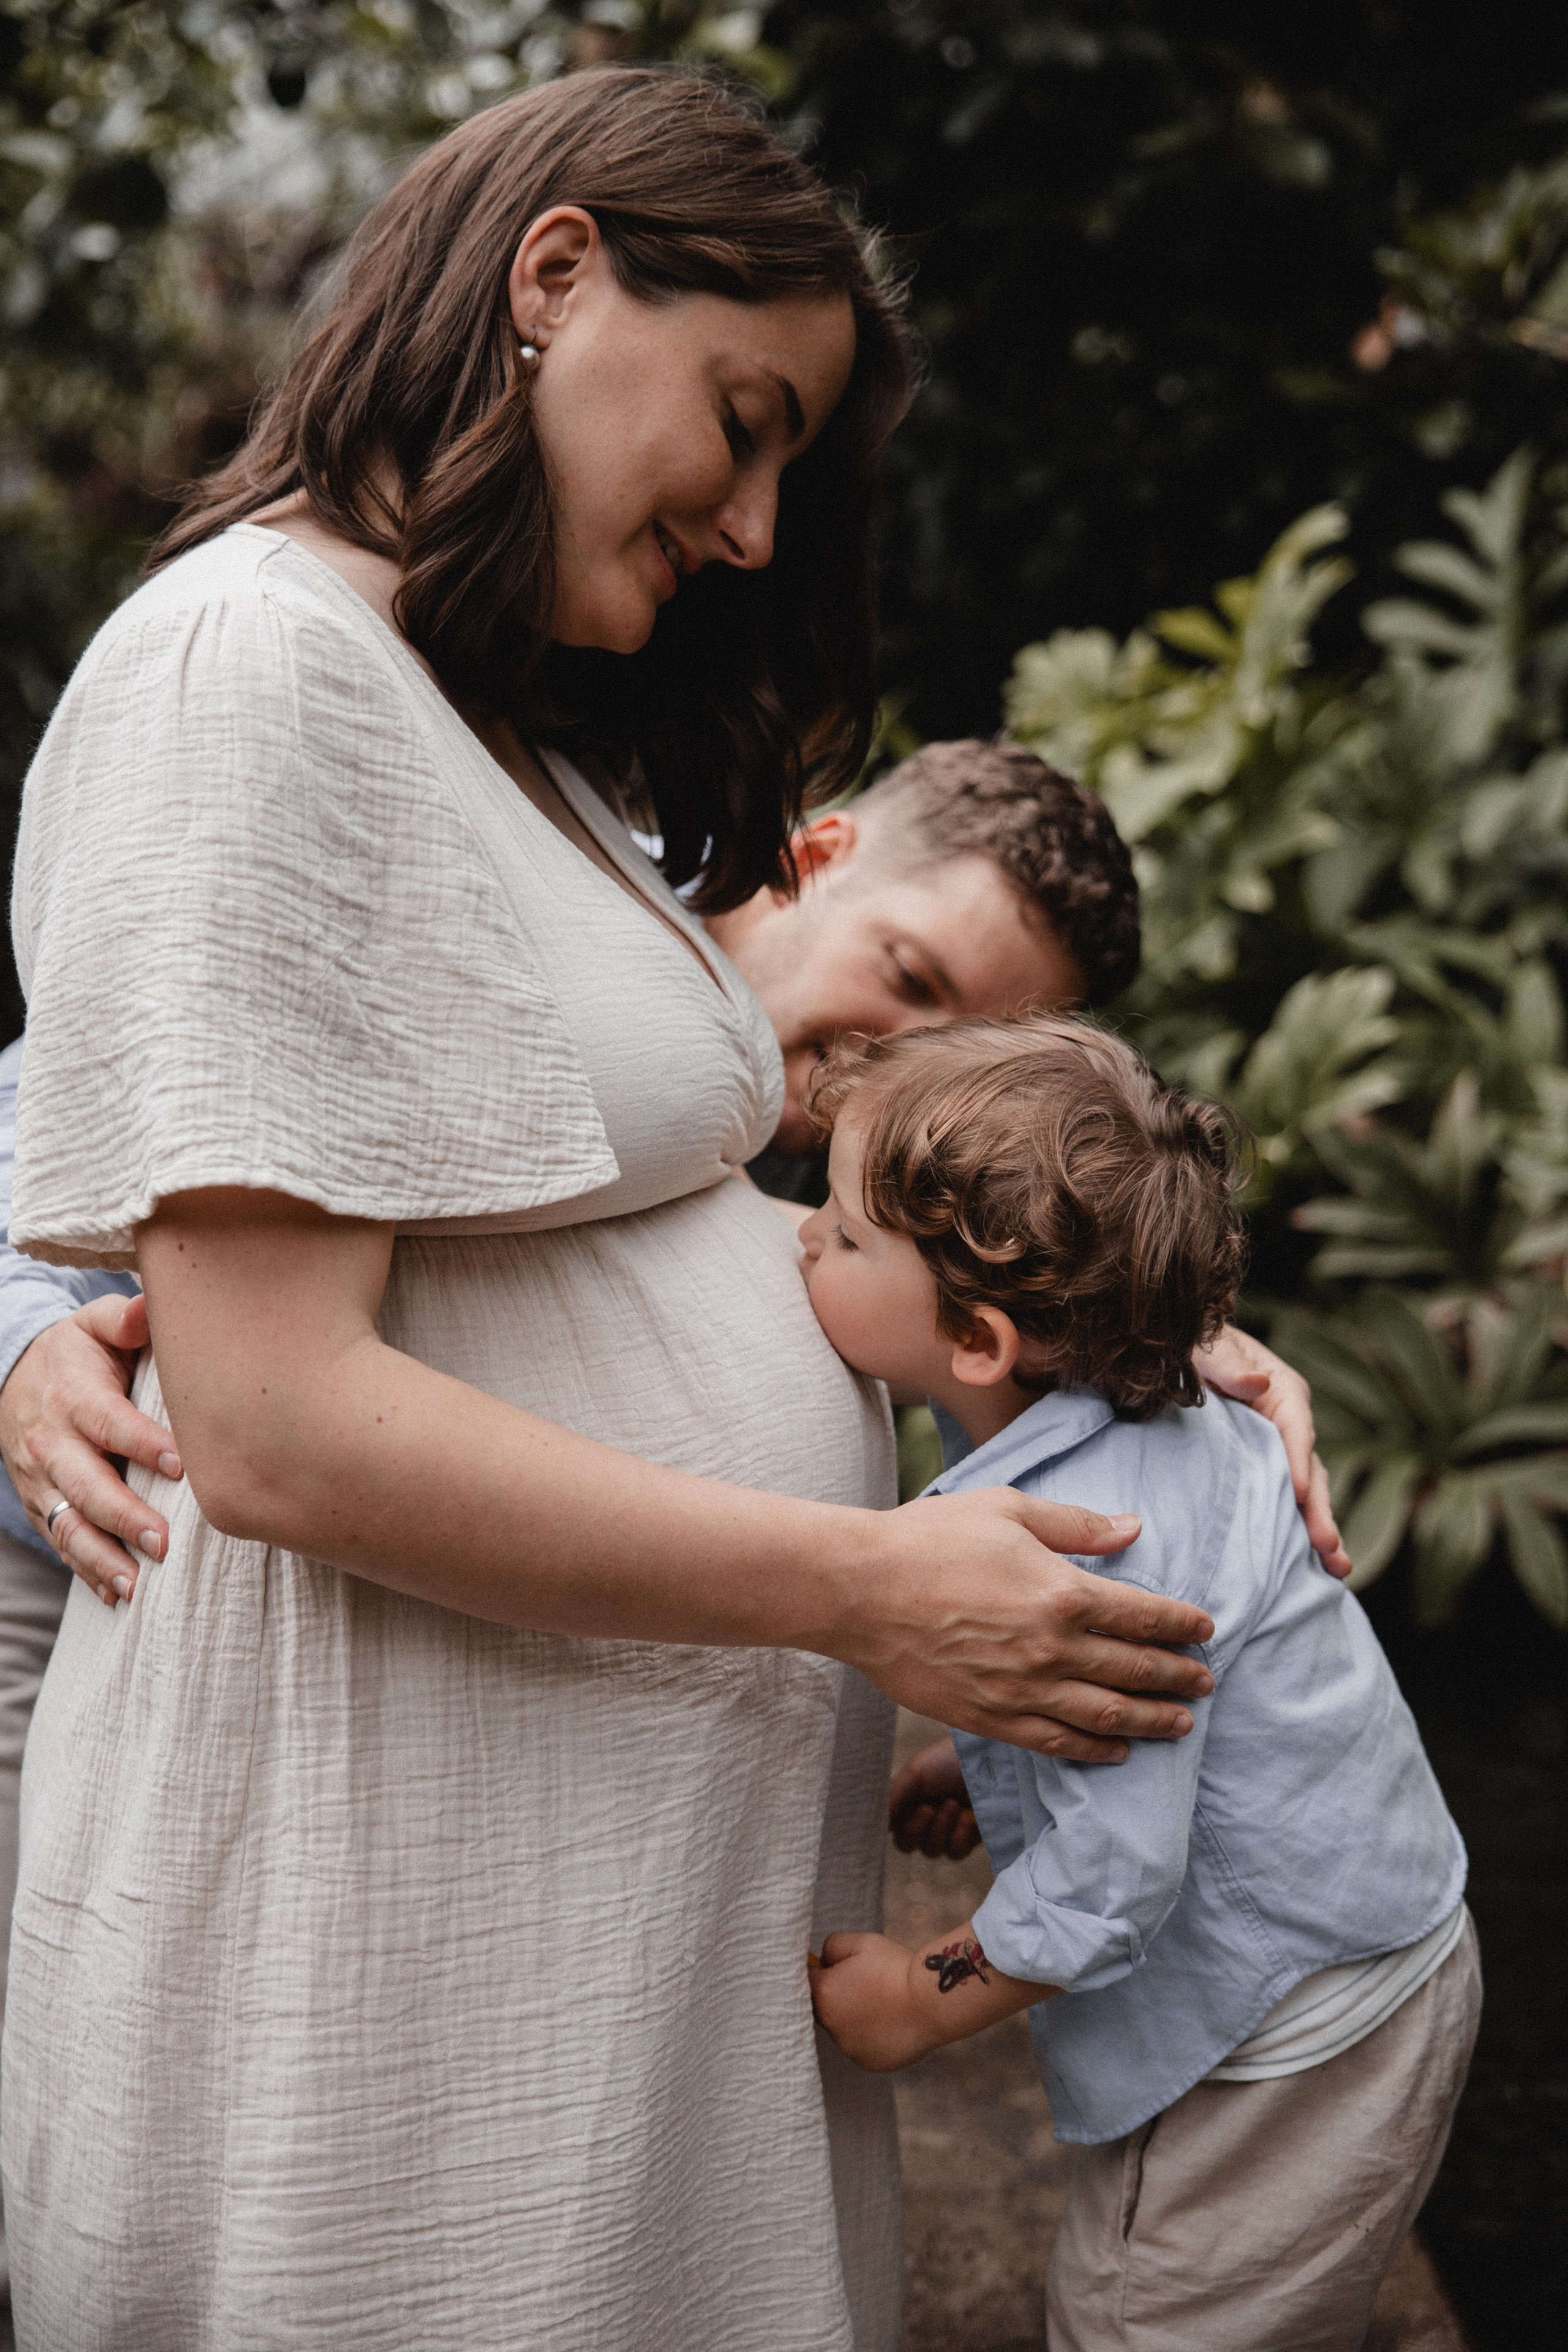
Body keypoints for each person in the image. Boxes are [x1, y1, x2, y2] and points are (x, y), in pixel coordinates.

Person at [0, 69, 1225, 2352]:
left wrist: (1148, 1351)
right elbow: (275, 1422)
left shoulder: (496, 724)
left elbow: (608, 1235)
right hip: (380, 1914)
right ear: (554, 278)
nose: (754, 530)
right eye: (745, 428)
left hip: (588, 1928)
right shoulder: (251, 663)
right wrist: (869, 1588)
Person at [798, 1015, 1480, 2352]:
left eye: (845, 1233)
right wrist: (1001, 1760)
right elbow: (1201, 1709)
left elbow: (1115, 1879)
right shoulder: (1175, 1406)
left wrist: (922, 1994)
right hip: (1383, 1948)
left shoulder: (1093, 1544)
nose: (805, 1242)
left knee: (1140, 2318)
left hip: (1271, 2043)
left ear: (980, 1339)